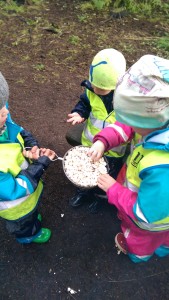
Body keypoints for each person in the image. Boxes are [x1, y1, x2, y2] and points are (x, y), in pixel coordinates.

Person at [88, 54, 169, 262]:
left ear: (149, 118)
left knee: (144, 238)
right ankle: (163, 246)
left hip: (150, 220)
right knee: (164, 239)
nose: (128, 125)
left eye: (130, 120)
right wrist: (103, 141)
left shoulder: (162, 169)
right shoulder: (155, 123)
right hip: (158, 205)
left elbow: (146, 217)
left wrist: (114, 190)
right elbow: (125, 128)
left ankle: (138, 255)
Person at [66, 48, 127, 213]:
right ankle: (83, 192)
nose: (96, 90)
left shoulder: (126, 99)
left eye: (102, 89)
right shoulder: (90, 90)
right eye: (95, 86)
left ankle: (99, 199)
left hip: (114, 151)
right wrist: (80, 113)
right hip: (90, 143)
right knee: (85, 171)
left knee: (105, 177)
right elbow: (84, 104)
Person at [0, 72, 56, 244]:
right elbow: (12, 190)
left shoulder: (4, 123)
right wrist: (40, 165)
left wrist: (30, 147)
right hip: (16, 207)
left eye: (4, 105)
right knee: (24, 224)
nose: (7, 112)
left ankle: (31, 219)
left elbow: (19, 131)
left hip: (28, 194)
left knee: (31, 215)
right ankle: (29, 236)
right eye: (1, 112)